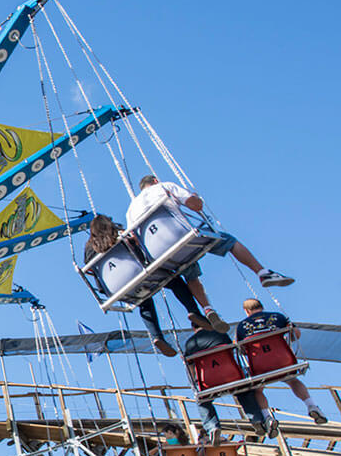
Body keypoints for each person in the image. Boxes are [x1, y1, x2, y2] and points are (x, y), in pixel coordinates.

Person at [126, 174, 293, 291]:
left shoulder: (130, 210)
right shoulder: (165, 186)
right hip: (182, 237)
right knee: (229, 241)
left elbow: (133, 237)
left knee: (187, 267)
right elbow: (195, 206)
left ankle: (207, 309)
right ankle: (263, 273)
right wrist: (195, 198)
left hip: (160, 253)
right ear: (155, 180)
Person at [84, 215, 209, 354]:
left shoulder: (89, 250)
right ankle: (194, 312)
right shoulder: (118, 235)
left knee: (143, 299)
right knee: (173, 280)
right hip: (135, 272)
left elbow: (90, 270)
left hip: (115, 288)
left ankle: (156, 336)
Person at [237, 298, 327, 424]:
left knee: (258, 390)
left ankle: (267, 417)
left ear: (246, 311)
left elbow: (241, 348)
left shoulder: (242, 326)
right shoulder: (278, 316)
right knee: (293, 380)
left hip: (260, 366)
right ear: (261, 306)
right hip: (283, 360)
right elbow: (296, 333)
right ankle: (311, 405)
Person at [182, 323, 275, 438]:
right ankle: (256, 419)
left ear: (193, 327)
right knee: (244, 391)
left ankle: (212, 427)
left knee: (202, 401)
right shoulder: (221, 334)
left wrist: (195, 382)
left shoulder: (190, 343)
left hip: (209, 381)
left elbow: (190, 368)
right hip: (231, 374)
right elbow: (232, 351)